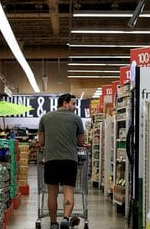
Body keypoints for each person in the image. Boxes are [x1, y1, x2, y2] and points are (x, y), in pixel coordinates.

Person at [38, 93, 85, 229]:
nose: (75, 107)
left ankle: (53, 223)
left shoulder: (45, 118)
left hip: (51, 160)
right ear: (65, 103)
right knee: (68, 191)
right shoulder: (76, 119)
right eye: (73, 104)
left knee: (52, 193)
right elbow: (81, 142)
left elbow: (41, 142)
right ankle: (65, 218)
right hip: (69, 161)